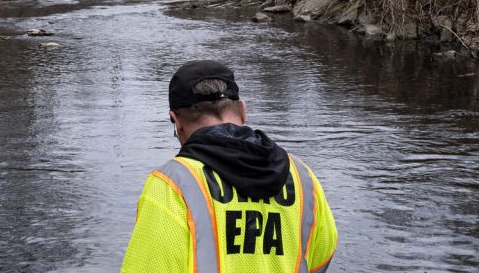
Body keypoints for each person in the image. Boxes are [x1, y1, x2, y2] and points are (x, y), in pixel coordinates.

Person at [121, 60, 338, 273]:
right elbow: (321, 256)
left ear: (176, 121)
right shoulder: (302, 176)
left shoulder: (171, 185)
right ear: (243, 111)